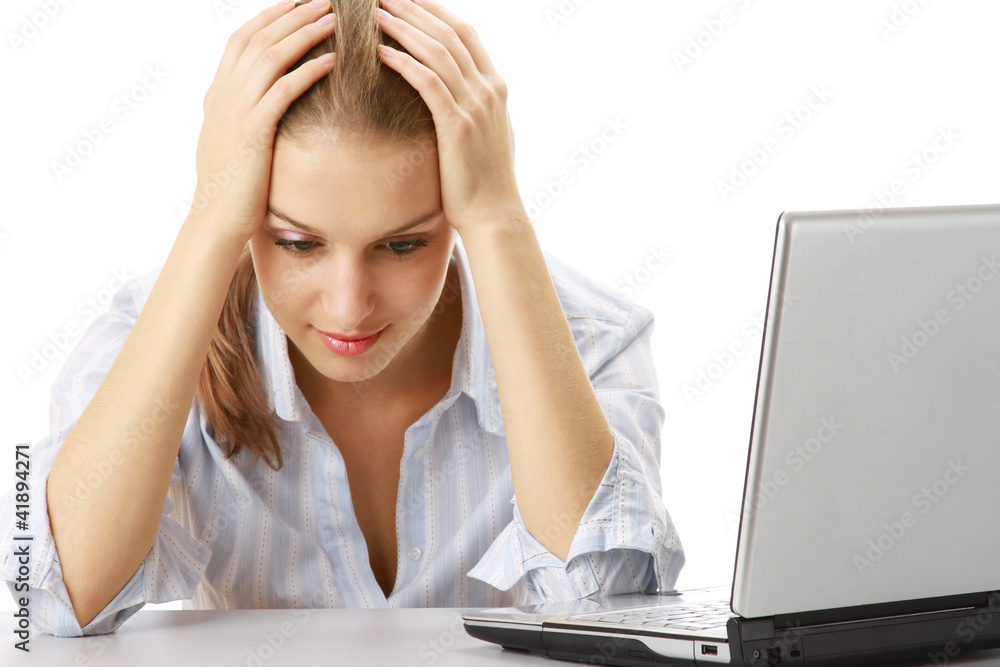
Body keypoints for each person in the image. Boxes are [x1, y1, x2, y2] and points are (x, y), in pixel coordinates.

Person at [0, 0, 684, 637]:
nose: (348, 305)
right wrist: (209, 220)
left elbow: (607, 603)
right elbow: (51, 602)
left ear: (455, 213)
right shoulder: (151, 334)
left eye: (403, 244)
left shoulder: (593, 339)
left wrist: (499, 216)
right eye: (298, 243)